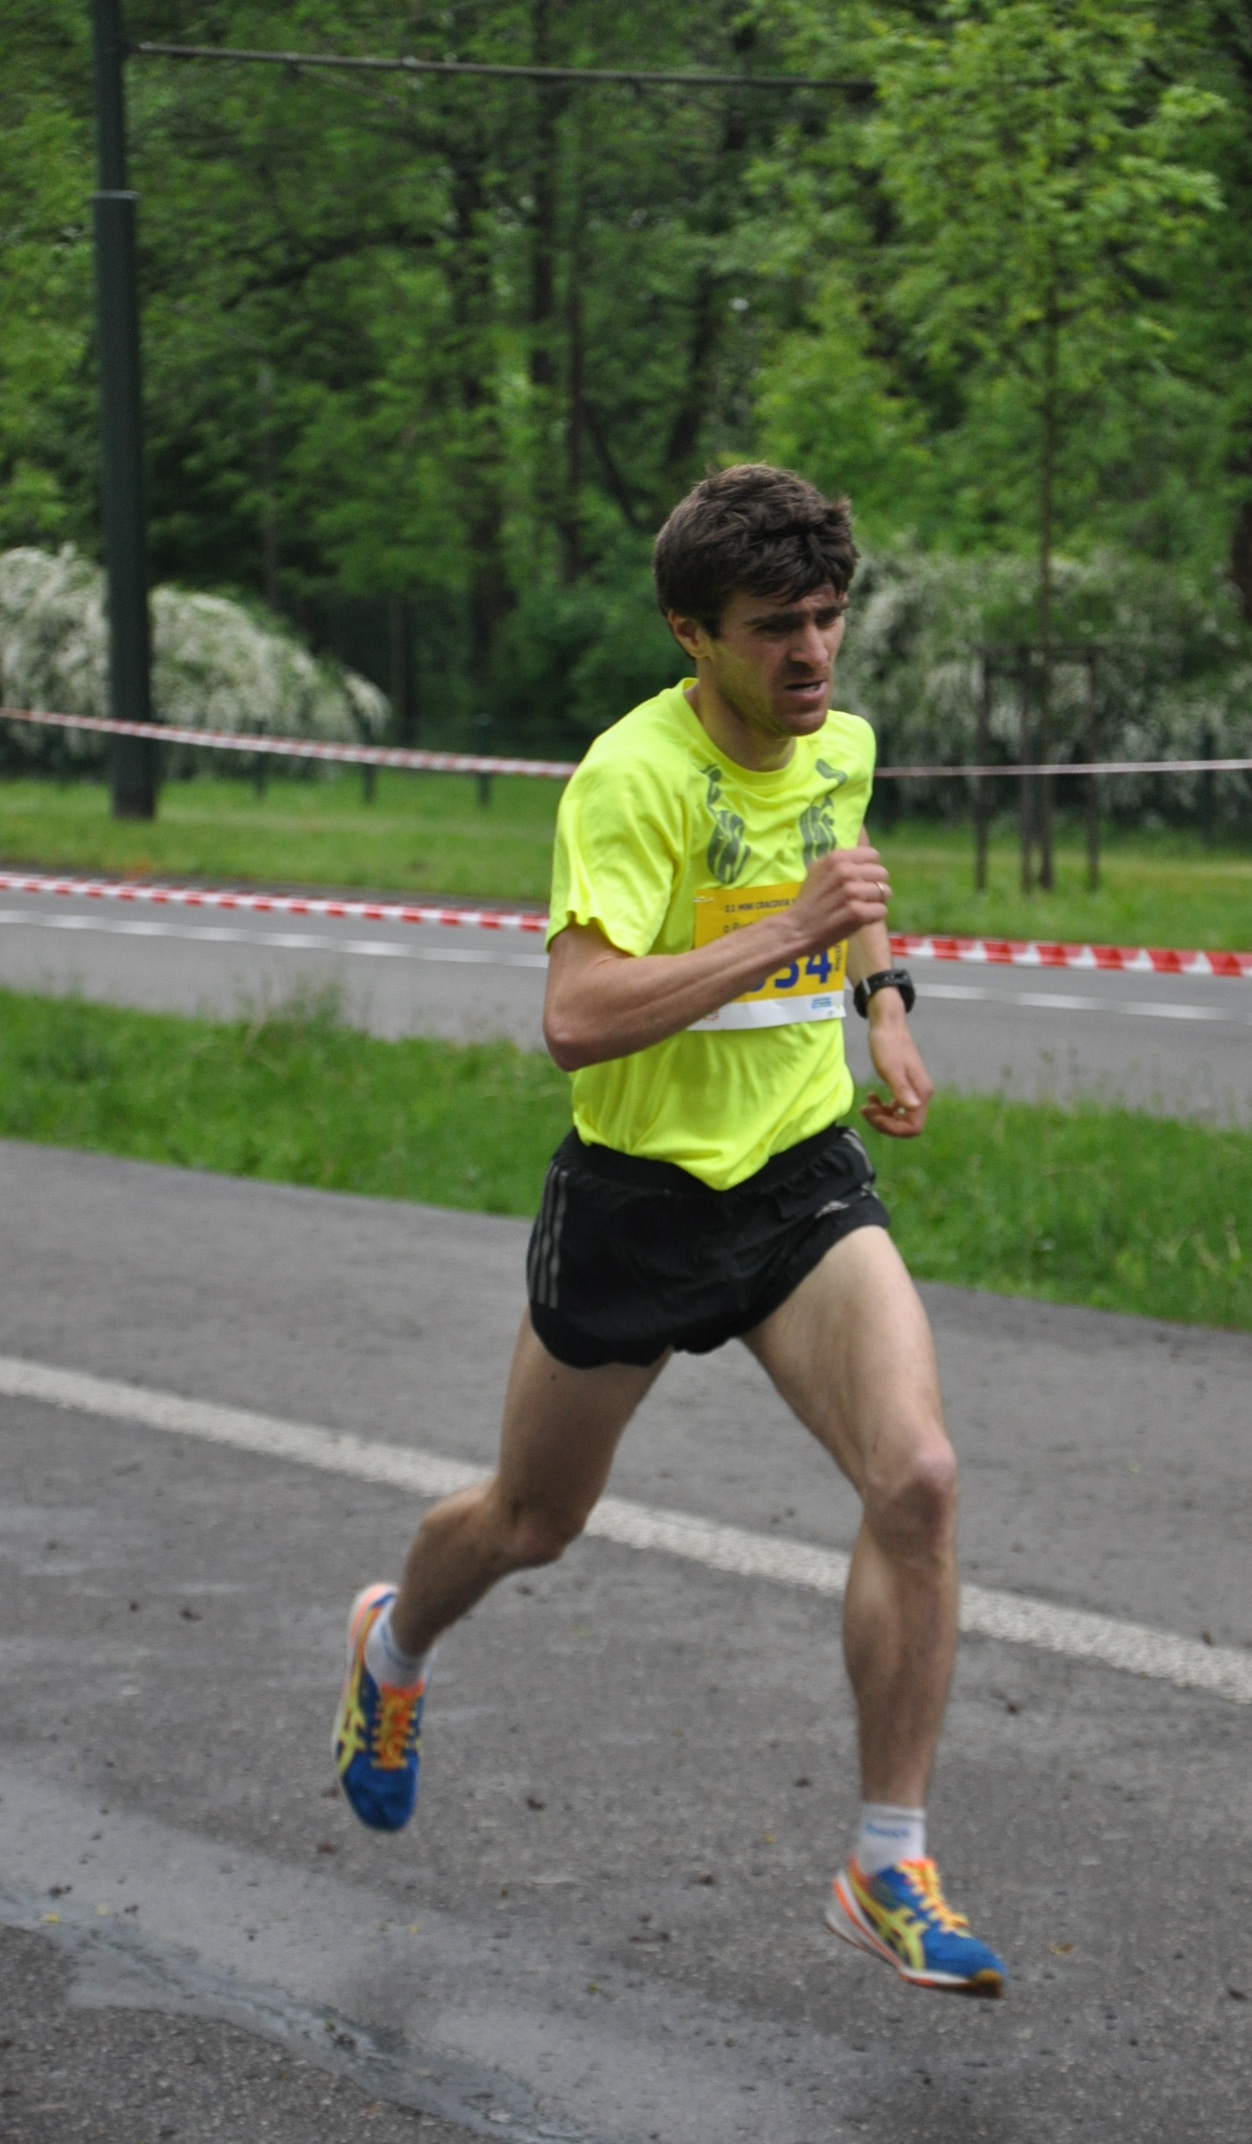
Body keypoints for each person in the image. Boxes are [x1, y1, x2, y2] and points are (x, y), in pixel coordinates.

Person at [332, 463, 1006, 1995]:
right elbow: (575, 1019)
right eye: (775, 627)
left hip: (797, 1177)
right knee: (530, 1524)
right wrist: (791, 935)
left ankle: (886, 1861)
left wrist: (882, 1004)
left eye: (828, 618)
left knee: (918, 1479)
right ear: (692, 635)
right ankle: (392, 1646)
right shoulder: (631, 781)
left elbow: (846, 884)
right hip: (638, 1201)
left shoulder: (838, 742)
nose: (811, 654)